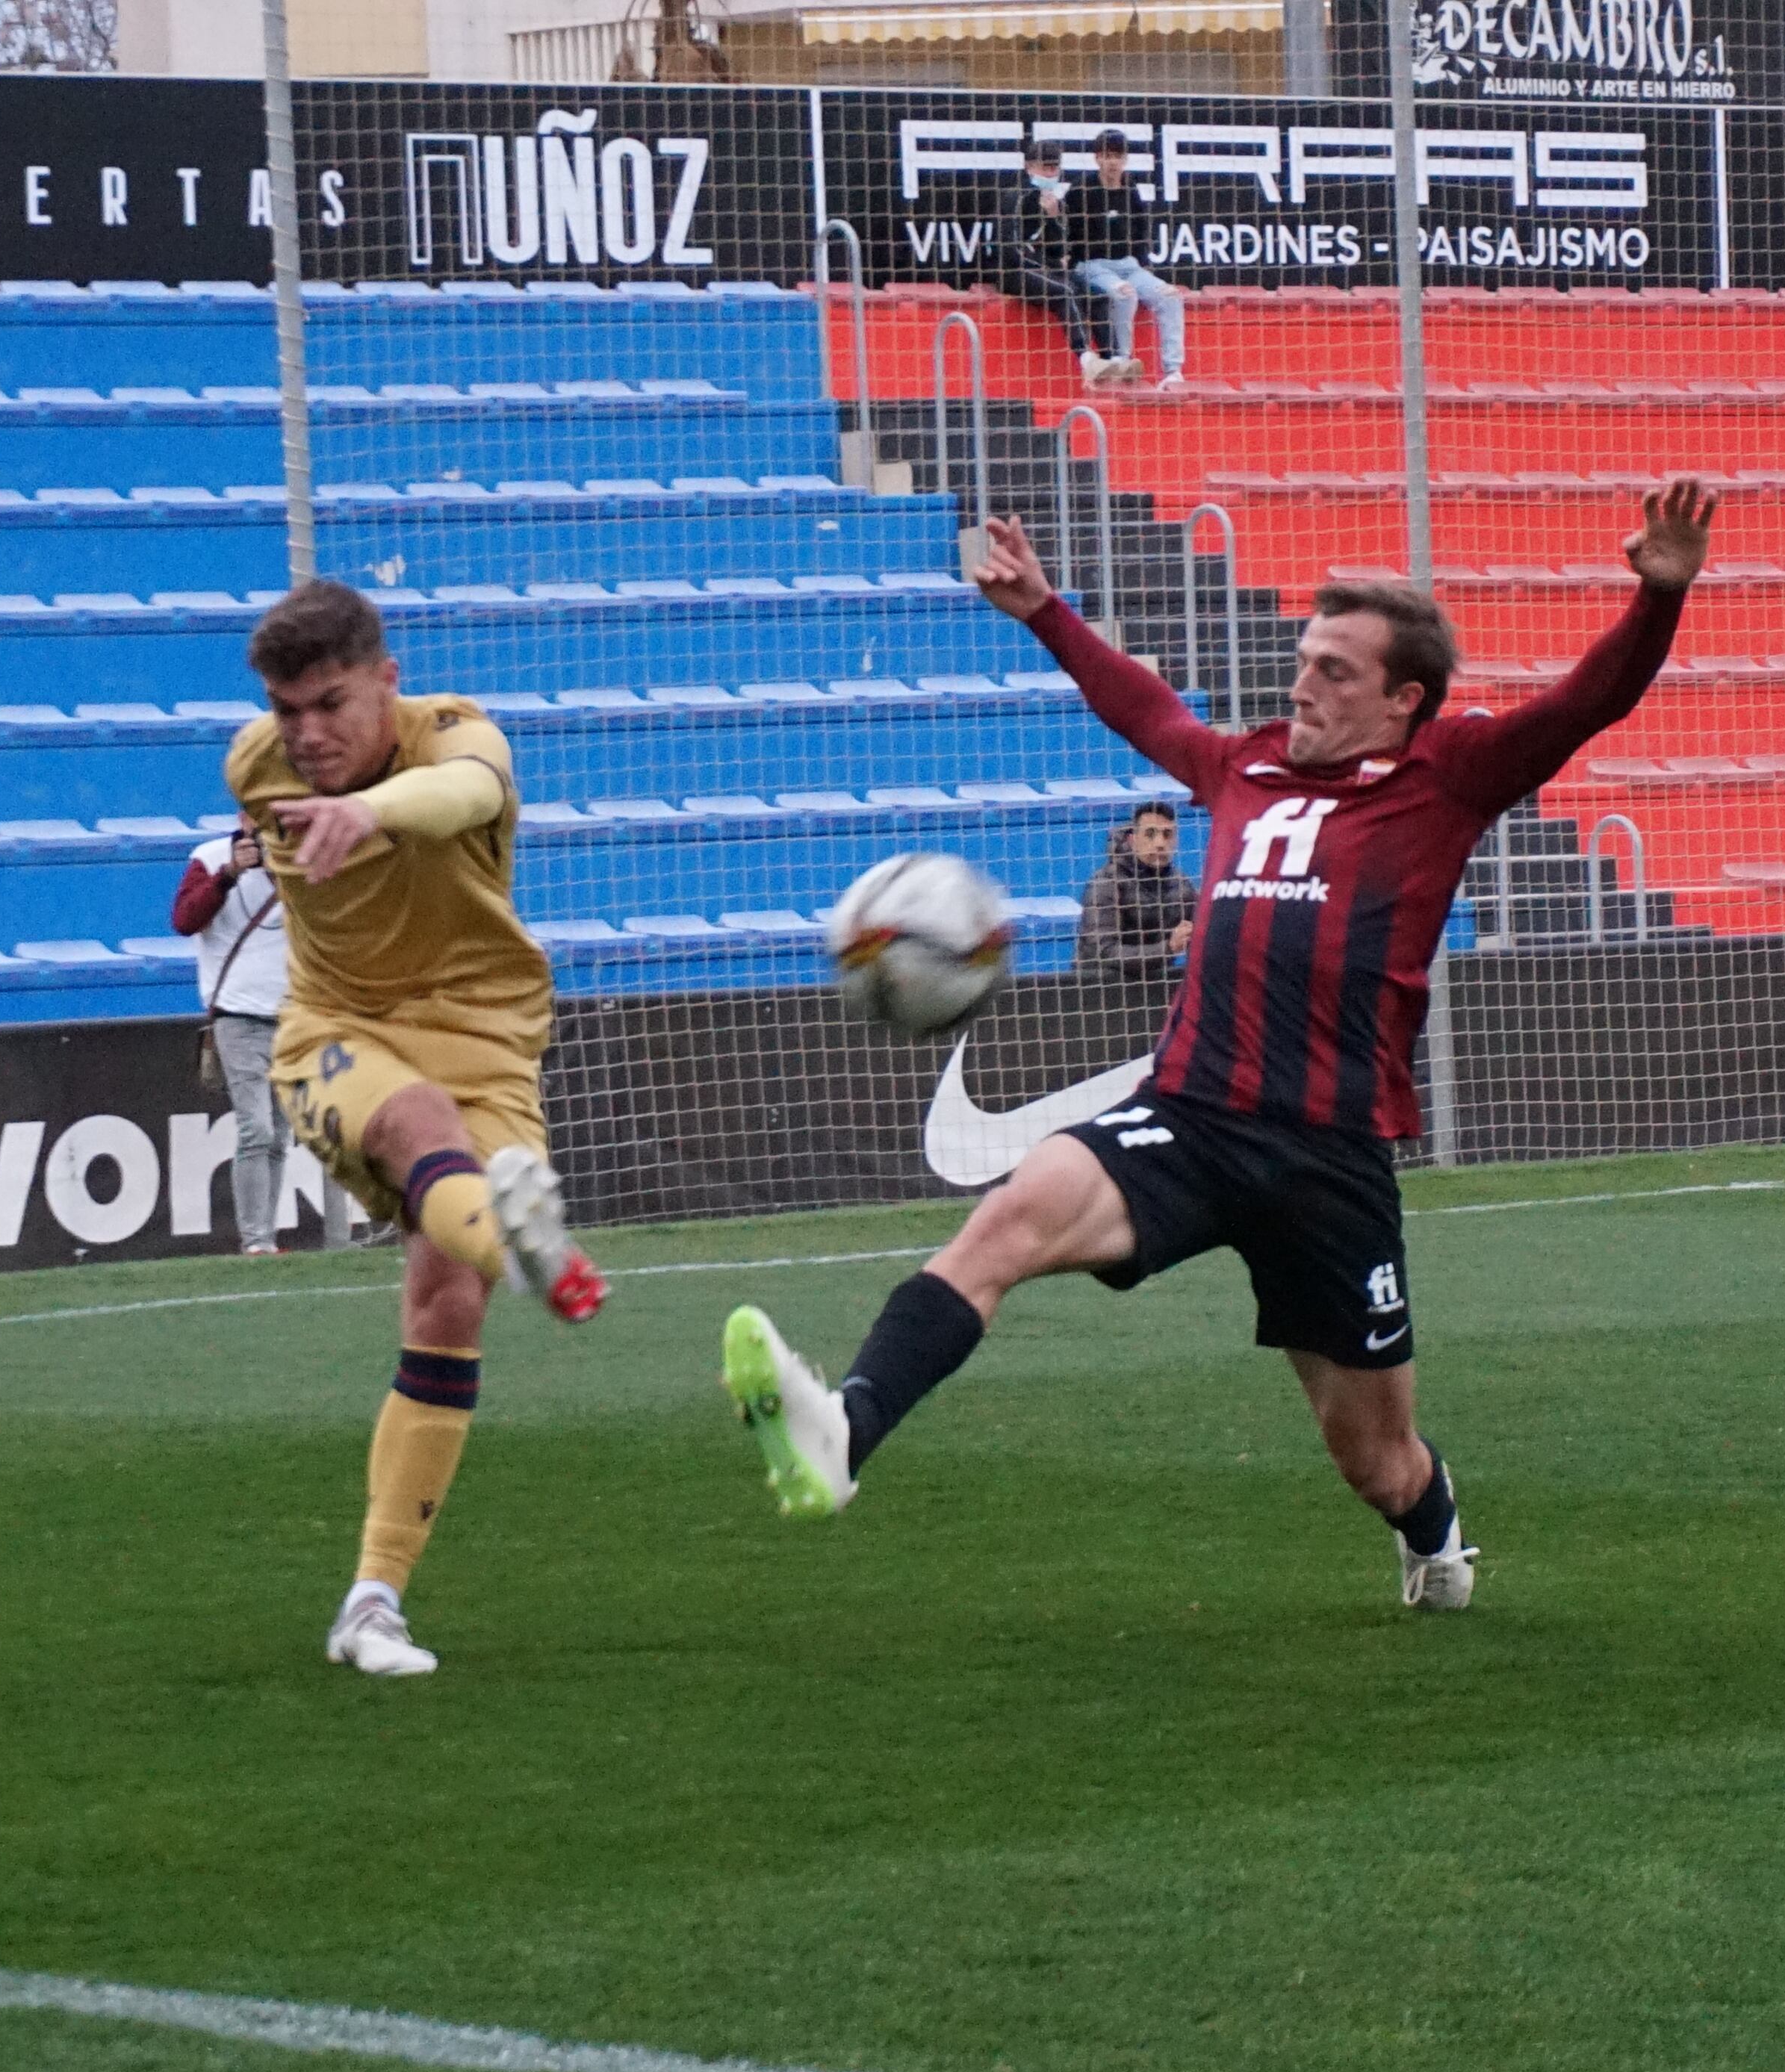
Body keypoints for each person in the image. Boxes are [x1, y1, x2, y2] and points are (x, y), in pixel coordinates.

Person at [720, 480, 1721, 1611]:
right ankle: (843, 1434)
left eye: (1336, 670)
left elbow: (1587, 704)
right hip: (1189, 1118)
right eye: (1305, 658)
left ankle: (1437, 1540)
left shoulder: (1450, 777)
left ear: (1404, 701)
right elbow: (1148, 713)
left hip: (1328, 1161)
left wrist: (1657, 598)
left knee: (1374, 1459)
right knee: (1005, 1220)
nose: (1304, 681)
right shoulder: (1244, 767)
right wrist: (1048, 612)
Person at [226, 578, 610, 1680]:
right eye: (287, 709)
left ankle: (372, 1603)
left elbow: (464, 794)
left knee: (447, 1301)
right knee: (414, 1122)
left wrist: (370, 812)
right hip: (336, 1035)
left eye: (331, 705)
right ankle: (530, 1245)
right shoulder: (254, 766)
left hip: (488, 1035)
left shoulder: (456, 735)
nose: (306, 735)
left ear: (387, 684)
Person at [173, 815, 292, 1254]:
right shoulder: (210, 858)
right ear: (243, 820)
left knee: (280, 1134)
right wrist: (229, 877)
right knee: (256, 1128)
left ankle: (266, 1236)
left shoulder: (299, 858)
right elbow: (185, 920)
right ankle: (256, 1240)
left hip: (292, 1012)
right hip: (238, 1012)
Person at [1062, 129, 1186, 391]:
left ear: (1125, 159)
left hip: (1128, 265)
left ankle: (1173, 371)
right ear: (1097, 159)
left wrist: (1140, 263)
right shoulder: (1080, 191)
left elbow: (1142, 230)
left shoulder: (1131, 190)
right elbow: (1066, 232)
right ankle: (1122, 360)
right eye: (1107, 156)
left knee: (1171, 296)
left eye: (1118, 156)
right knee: (1125, 294)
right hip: (1092, 265)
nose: (1113, 163)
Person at [996, 136, 1121, 385]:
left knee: (1097, 296)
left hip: (1047, 268)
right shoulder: (1016, 198)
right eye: (1045, 167)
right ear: (1030, 167)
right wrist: (1045, 266)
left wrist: (1053, 218)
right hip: (1015, 271)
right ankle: (1087, 359)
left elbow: (1061, 249)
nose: (1051, 173)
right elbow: (1010, 252)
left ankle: (1115, 360)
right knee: (1064, 291)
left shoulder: (1056, 201)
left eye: (1055, 168)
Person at [1073, 800, 1191, 969]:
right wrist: (1168, 948)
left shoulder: (1182, 885)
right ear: (1133, 840)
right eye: (1150, 834)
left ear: (1176, 841)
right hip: (1100, 988)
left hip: (1157, 988)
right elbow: (1104, 952)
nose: (1160, 843)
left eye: (1167, 834)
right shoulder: (1105, 883)